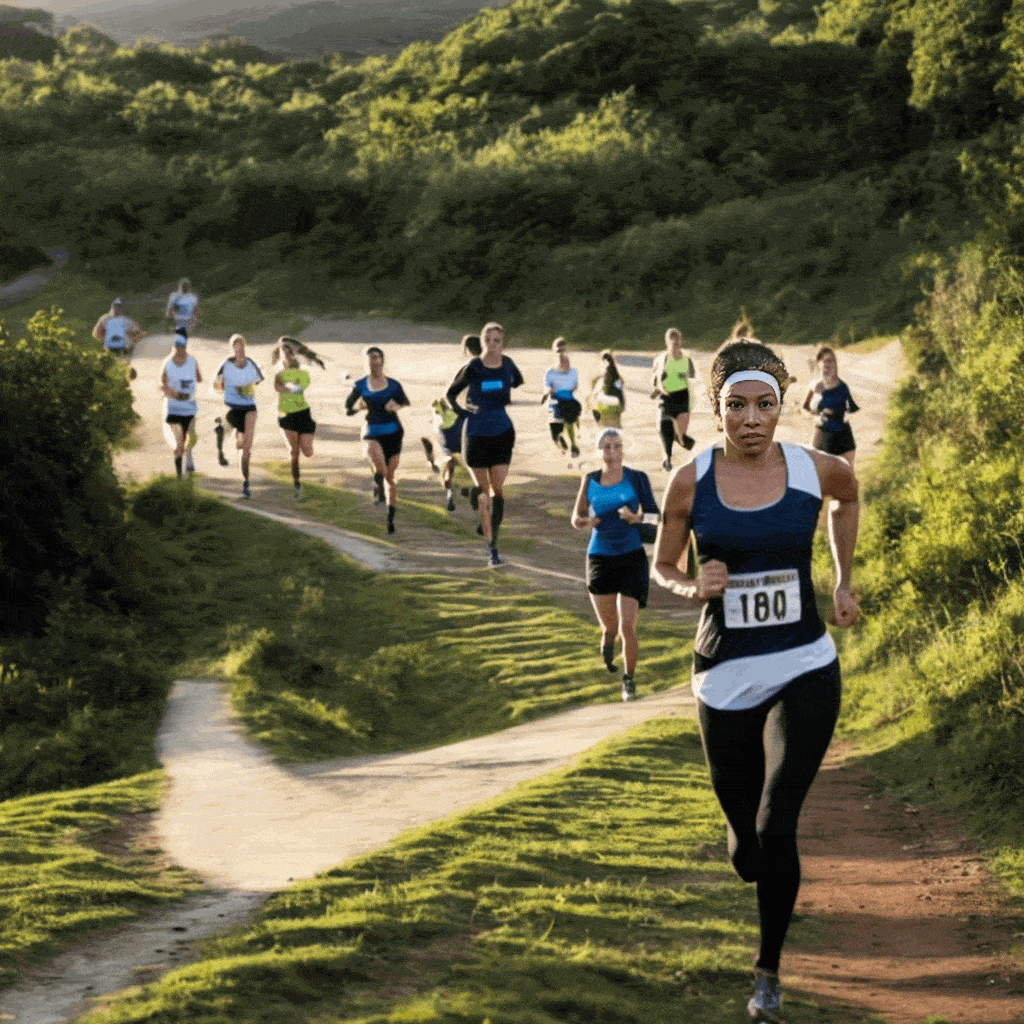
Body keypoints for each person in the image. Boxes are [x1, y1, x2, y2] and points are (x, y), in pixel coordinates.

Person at [651, 335, 859, 1023]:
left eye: (763, 405)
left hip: (805, 662)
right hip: (724, 673)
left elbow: (849, 495)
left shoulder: (810, 468)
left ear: (780, 409)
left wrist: (845, 582)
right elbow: (663, 566)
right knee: (746, 846)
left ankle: (767, 974)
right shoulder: (691, 480)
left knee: (778, 825)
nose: (749, 419)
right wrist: (691, 587)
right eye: (736, 405)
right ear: (716, 409)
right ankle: (740, 840)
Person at [571, 428, 659, 702]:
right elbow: (576, 517)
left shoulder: (637, 478)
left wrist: (637, 518)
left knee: (627, 626)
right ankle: (607, 640)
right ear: (599, 451)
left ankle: (629, 680)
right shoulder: (590, 480)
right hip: (600, 557)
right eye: (606, 447)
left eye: (616, 446)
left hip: (631, 556)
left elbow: (656, 515)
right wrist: (585, 523)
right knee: (610, 627)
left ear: (623, 449)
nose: (611, 452)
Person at [446, 321, 523, 566]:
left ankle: (492, 532)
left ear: (503, 343)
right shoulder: (474, 366)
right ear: (481, 342)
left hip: (502, 432)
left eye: (497, 340)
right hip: (476, 435)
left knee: (498, 490)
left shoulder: (508, 364)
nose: (492, 344)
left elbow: (517, 380)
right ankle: (492, 550)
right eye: (488, 340)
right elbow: (450, 394)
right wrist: (464, 411)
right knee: (485, 493)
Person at [345, 346, 410, 534]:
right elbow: (348, 408)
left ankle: (390, 519)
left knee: (390, 477)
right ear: (366, 363)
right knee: (381, 469)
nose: (374, 361)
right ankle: (377, 480)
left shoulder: (394, 385)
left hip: (394, 432)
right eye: (370, 358)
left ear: (382, 360)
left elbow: (405, 401)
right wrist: (359, 407)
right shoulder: (360, 385)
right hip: (372, 432)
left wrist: (396, 405)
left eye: (377, 357)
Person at [272, 336, 324, 499]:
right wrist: (284, 385)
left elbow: (299, 388)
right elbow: (277, 387)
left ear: (294, 355)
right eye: (284, 354)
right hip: (286, 416)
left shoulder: (302, 374)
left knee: (307, 452)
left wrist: (287, 386)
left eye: (289, 353)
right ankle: (297, 485)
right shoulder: (278, 373)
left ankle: (309, 435)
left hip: (303, 414)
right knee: (293, 452)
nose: (287, 356)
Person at [214, 333, 263, 499]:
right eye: (235, 345)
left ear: (244, 345)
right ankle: (220, 452)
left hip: (249, 409)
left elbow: (258, 380)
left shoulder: (250, 363)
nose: (239, 347)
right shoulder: (227, 364)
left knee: (245, 450)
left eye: (241, 344)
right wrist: (226, 388)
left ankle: (246, 482)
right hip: (234, 408)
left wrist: (246, 387)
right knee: (221, 429)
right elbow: (216, 383)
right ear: (232, 347)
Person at [802, 346, 860, 468]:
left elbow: (852, 410)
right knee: (818, 474)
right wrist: (816, 414)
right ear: (819, 363)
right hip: (823, 434)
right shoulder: (815, 385)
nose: (828, 364)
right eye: (825, 361)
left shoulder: (843, 387)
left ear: (835, 363)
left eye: (831, 360)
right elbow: (805, 407)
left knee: (847, 474)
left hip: (843, 435)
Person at [651, 327, 697, 470]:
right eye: (672, 342)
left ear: (680, 342)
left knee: (681, 438)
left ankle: (680, 438)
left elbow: (693, 378)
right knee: (665, 424)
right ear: (667, 343)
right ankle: (667, 458)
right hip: (666, 397)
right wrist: (658, 388)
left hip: (683, 397)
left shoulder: (687, 359)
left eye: (677, 342)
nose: (675, 345)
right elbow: (656, 378)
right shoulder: (662, 359)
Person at [160, 328, 202, 478]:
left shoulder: (192, 360)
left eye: (182, 344)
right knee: (180, 442)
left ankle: (189, 460)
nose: (179, 348)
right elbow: (162, 383)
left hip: (190, 406)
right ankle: (180, 476)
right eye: (177, 344)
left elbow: (199, 378)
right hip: (175, 408)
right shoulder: (167, 363)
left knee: (190, 434)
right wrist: (170, 390)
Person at [542, 336, 581, 458]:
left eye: (563, 350)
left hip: (568, 402)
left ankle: (574, 445)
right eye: (558, 351)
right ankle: (562, 444)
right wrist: (548, 391)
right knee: (555, 435)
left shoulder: (573, 371)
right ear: (554, 352)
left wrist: (565, 374)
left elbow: (573, 386)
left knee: (570, 418)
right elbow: (546, 386)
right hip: (555, 404)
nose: (561, 354)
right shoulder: (550, 372)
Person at [590, 350, 626, 428]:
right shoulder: (617, 378)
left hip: (603, 408)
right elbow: (620, 394)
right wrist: (622, 406)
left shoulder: (599, 380)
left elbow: (593, 399)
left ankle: (601, 424)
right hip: (614, 409)